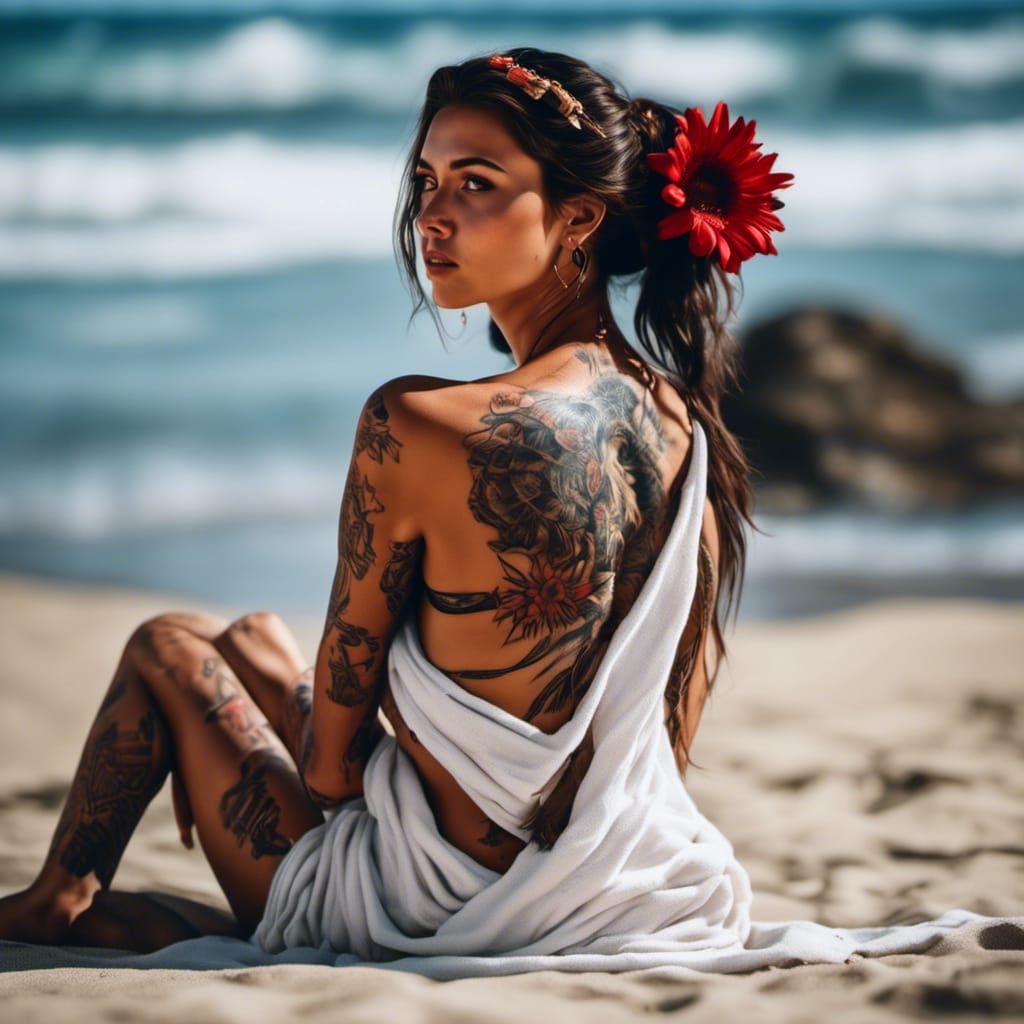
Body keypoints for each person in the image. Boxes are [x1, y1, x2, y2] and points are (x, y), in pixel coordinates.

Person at [0, 47, 788, 954]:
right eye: (426, 180)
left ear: (577, 218)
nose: (432, 215)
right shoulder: (689, 436)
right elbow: (659, 748)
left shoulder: (418, 424)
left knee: (169, 646)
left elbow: (333, 775)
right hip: (628, 886)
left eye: (476, 183)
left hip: (434, 902)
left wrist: (280, 683)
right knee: (234, 693)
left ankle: (51, 902)